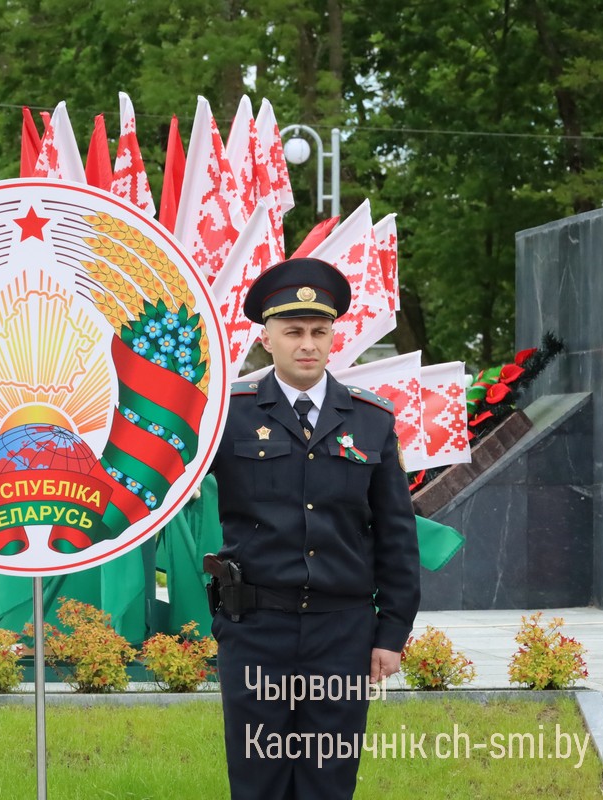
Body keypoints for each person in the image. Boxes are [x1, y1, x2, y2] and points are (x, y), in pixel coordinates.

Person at [206, 257, 420, 799]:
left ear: (333, 339)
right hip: (257, 628)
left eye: (319, 332)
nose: (308, 344)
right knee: (258, 780)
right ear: (267, 338)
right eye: (293, 331)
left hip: (341, 633)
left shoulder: (372, 420)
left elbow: (396, 534)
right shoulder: (227, 415)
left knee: (329, 781)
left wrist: (391, 633)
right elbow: (165, 480)